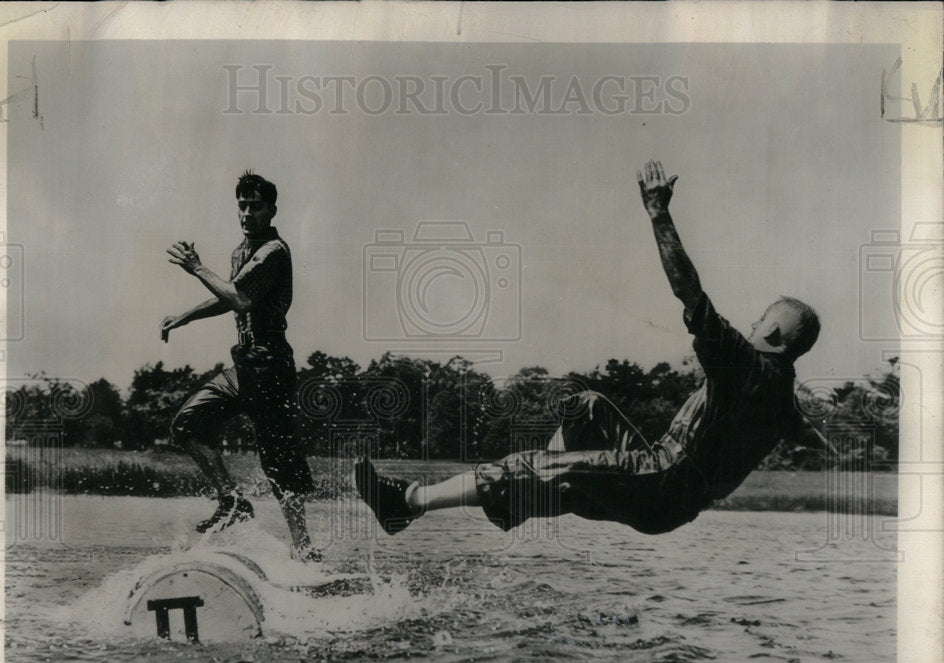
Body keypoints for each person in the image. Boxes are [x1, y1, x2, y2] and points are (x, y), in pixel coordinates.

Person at [355, 160, 830, 537]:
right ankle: (533, 489)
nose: (750, 324)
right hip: (671, 498)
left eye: (760, 320)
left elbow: (690, 292)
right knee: (587, 407)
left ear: (771, 334)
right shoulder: (782, 395)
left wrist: (658, 213)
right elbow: (810, 434)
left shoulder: (745, 365)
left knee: (529, 468)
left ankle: (407, 504)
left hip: (658, 478)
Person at [161, 171, 319, 561]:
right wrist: (183, 317)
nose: (247, 213)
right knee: (186, 424)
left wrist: (197, 267)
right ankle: (232, 502)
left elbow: (242, 297)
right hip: (243, 366)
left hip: (271, 369)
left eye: (256, 206)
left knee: (278, 464)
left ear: (271, 211)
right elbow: (228, 298)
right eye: (242, 205)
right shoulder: (238, 252)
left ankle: (303, 551)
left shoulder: (274, 251)